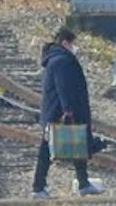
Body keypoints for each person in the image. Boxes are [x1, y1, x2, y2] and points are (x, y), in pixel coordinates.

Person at [35, 23, 98, 194]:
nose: (74, 47)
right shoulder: (62, 61)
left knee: (78, 146)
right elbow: (64, 87)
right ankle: (38, 187)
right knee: (47, 150)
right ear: (65, 43)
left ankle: (83, 183)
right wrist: (68, 110)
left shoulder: (57, 59)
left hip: (57, 111)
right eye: (72, 43)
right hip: (60, 112)